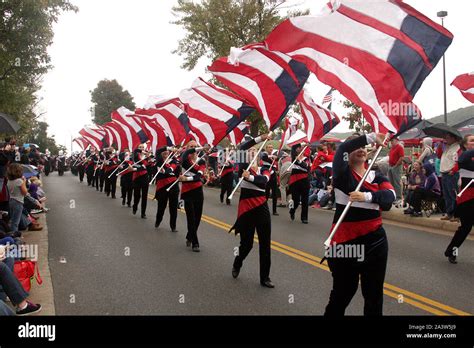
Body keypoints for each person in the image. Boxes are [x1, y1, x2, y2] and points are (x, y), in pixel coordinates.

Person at [324, 133, 395, 316]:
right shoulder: (341, 174)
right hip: (346, 243)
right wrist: (370, 137)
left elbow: (389, 199)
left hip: (375, 242)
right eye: (356, 146)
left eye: (364, 147)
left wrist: (367, 197)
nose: (361, 149)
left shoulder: (376, 175)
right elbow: (341, 149)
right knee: (342, 294)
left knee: (373, 296)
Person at [231, 133, 274, 288]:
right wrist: (261, 138)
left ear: (259, 154)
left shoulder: (266, 167)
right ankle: (238, 261)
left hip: (261, 207)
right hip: (246, 208)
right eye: (249, 152)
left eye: (254, 152)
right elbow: (242, 147)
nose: (251, 153)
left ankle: (265, 277)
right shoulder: (243, 167)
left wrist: (249, 178)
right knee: (247, 244)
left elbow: (264, 182)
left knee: (265, 243)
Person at [444, 134, 474, 263]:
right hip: (468, 199)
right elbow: (462, 160)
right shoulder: (464, 157)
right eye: (472, 141)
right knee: (464, 230)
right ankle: (452, 251)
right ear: (465, 145)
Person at [179, 141, 209, 252]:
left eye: (195, 146)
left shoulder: (201, 161)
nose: (194, 148)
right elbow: (185, 154)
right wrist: (200, 148)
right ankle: (195, 242)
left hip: (197, 190)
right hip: (187, 191)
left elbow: (198, 176)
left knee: (197, 217)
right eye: (191, 147)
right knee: (190, 217)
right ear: (187, 148)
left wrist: (187, 179)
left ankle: (189, 235)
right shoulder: (185, 159)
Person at [154, 146, 180, 232]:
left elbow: (175, 171)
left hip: (173, 186)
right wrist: (168, 148)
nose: (165, 152)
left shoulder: (174, 161)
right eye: (164, 151)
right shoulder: (159, 160)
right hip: (162, 187)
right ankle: (158, 220)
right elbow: (158, 151)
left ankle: (173, 226)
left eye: (167, 151)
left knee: (173, 207)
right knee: (161, 206)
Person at [438, 133, 462, 222]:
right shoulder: (447, 147)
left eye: (447, 137)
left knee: (453, 194)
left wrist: (453, 170)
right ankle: (449, 213)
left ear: (453, 138)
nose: (446, 139)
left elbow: (458, 161)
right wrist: (440, 146)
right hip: (444, 173)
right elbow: (439, 156)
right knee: (446, 195)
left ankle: (456, 214)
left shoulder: (457, 148)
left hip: (451, 174)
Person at [289, 143, 310, 224]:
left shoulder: (306, 158)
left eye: (300, 147)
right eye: (297, 147)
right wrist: (297, 160)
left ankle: (304, 217)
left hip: (305, 181)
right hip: (295, 181)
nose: (299, 148)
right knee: (296, 200)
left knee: (305, 200)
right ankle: (292, 210)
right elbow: (297, 164)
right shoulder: (293, 159)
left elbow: (306, 166)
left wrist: (300, 161)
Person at [6, 164, 27, 233]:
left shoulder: (9, 180)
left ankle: (14, 233)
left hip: (11, 200)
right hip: (18, 202)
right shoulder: (19, 181)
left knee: (13, 219)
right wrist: (24, 182)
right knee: (15, 222)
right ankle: (14, 236)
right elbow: (24, 192)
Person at [131, 144, 150, 219]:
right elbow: (135, 150)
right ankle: (135, 206)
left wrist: (148, 156)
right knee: (137, 195)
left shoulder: (147, 157)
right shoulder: (135, 155)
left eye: (143, 147)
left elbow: (148, 166)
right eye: (140, 147)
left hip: (145, 177)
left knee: (144, 196)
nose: (141, 148)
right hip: (136, 177)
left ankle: (143, 213)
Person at [262, 143, 279, 216]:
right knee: (266, 192)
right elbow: (265, 158)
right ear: (266, 148)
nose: (270, 148)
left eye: (271, 147)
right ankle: (264, 209)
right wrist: (272, 158)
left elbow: (275, 165)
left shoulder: (274, 157)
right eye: (269, 147)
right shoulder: (264, 154)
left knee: (275, 193)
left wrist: (274, 159)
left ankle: (274, 210)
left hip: (273, 175)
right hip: (266, 173)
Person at [387, 137, 404, 205]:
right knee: (391, 182)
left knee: (397, 182)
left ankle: (399, 198)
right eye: (391, 141)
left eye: (392, 140)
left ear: (396, 140)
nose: (391, 142)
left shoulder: (399, 147)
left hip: (396, 166)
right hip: (391, 166)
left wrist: (396, 165)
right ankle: (393, 197)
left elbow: (401, 157)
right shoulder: (392, 148)